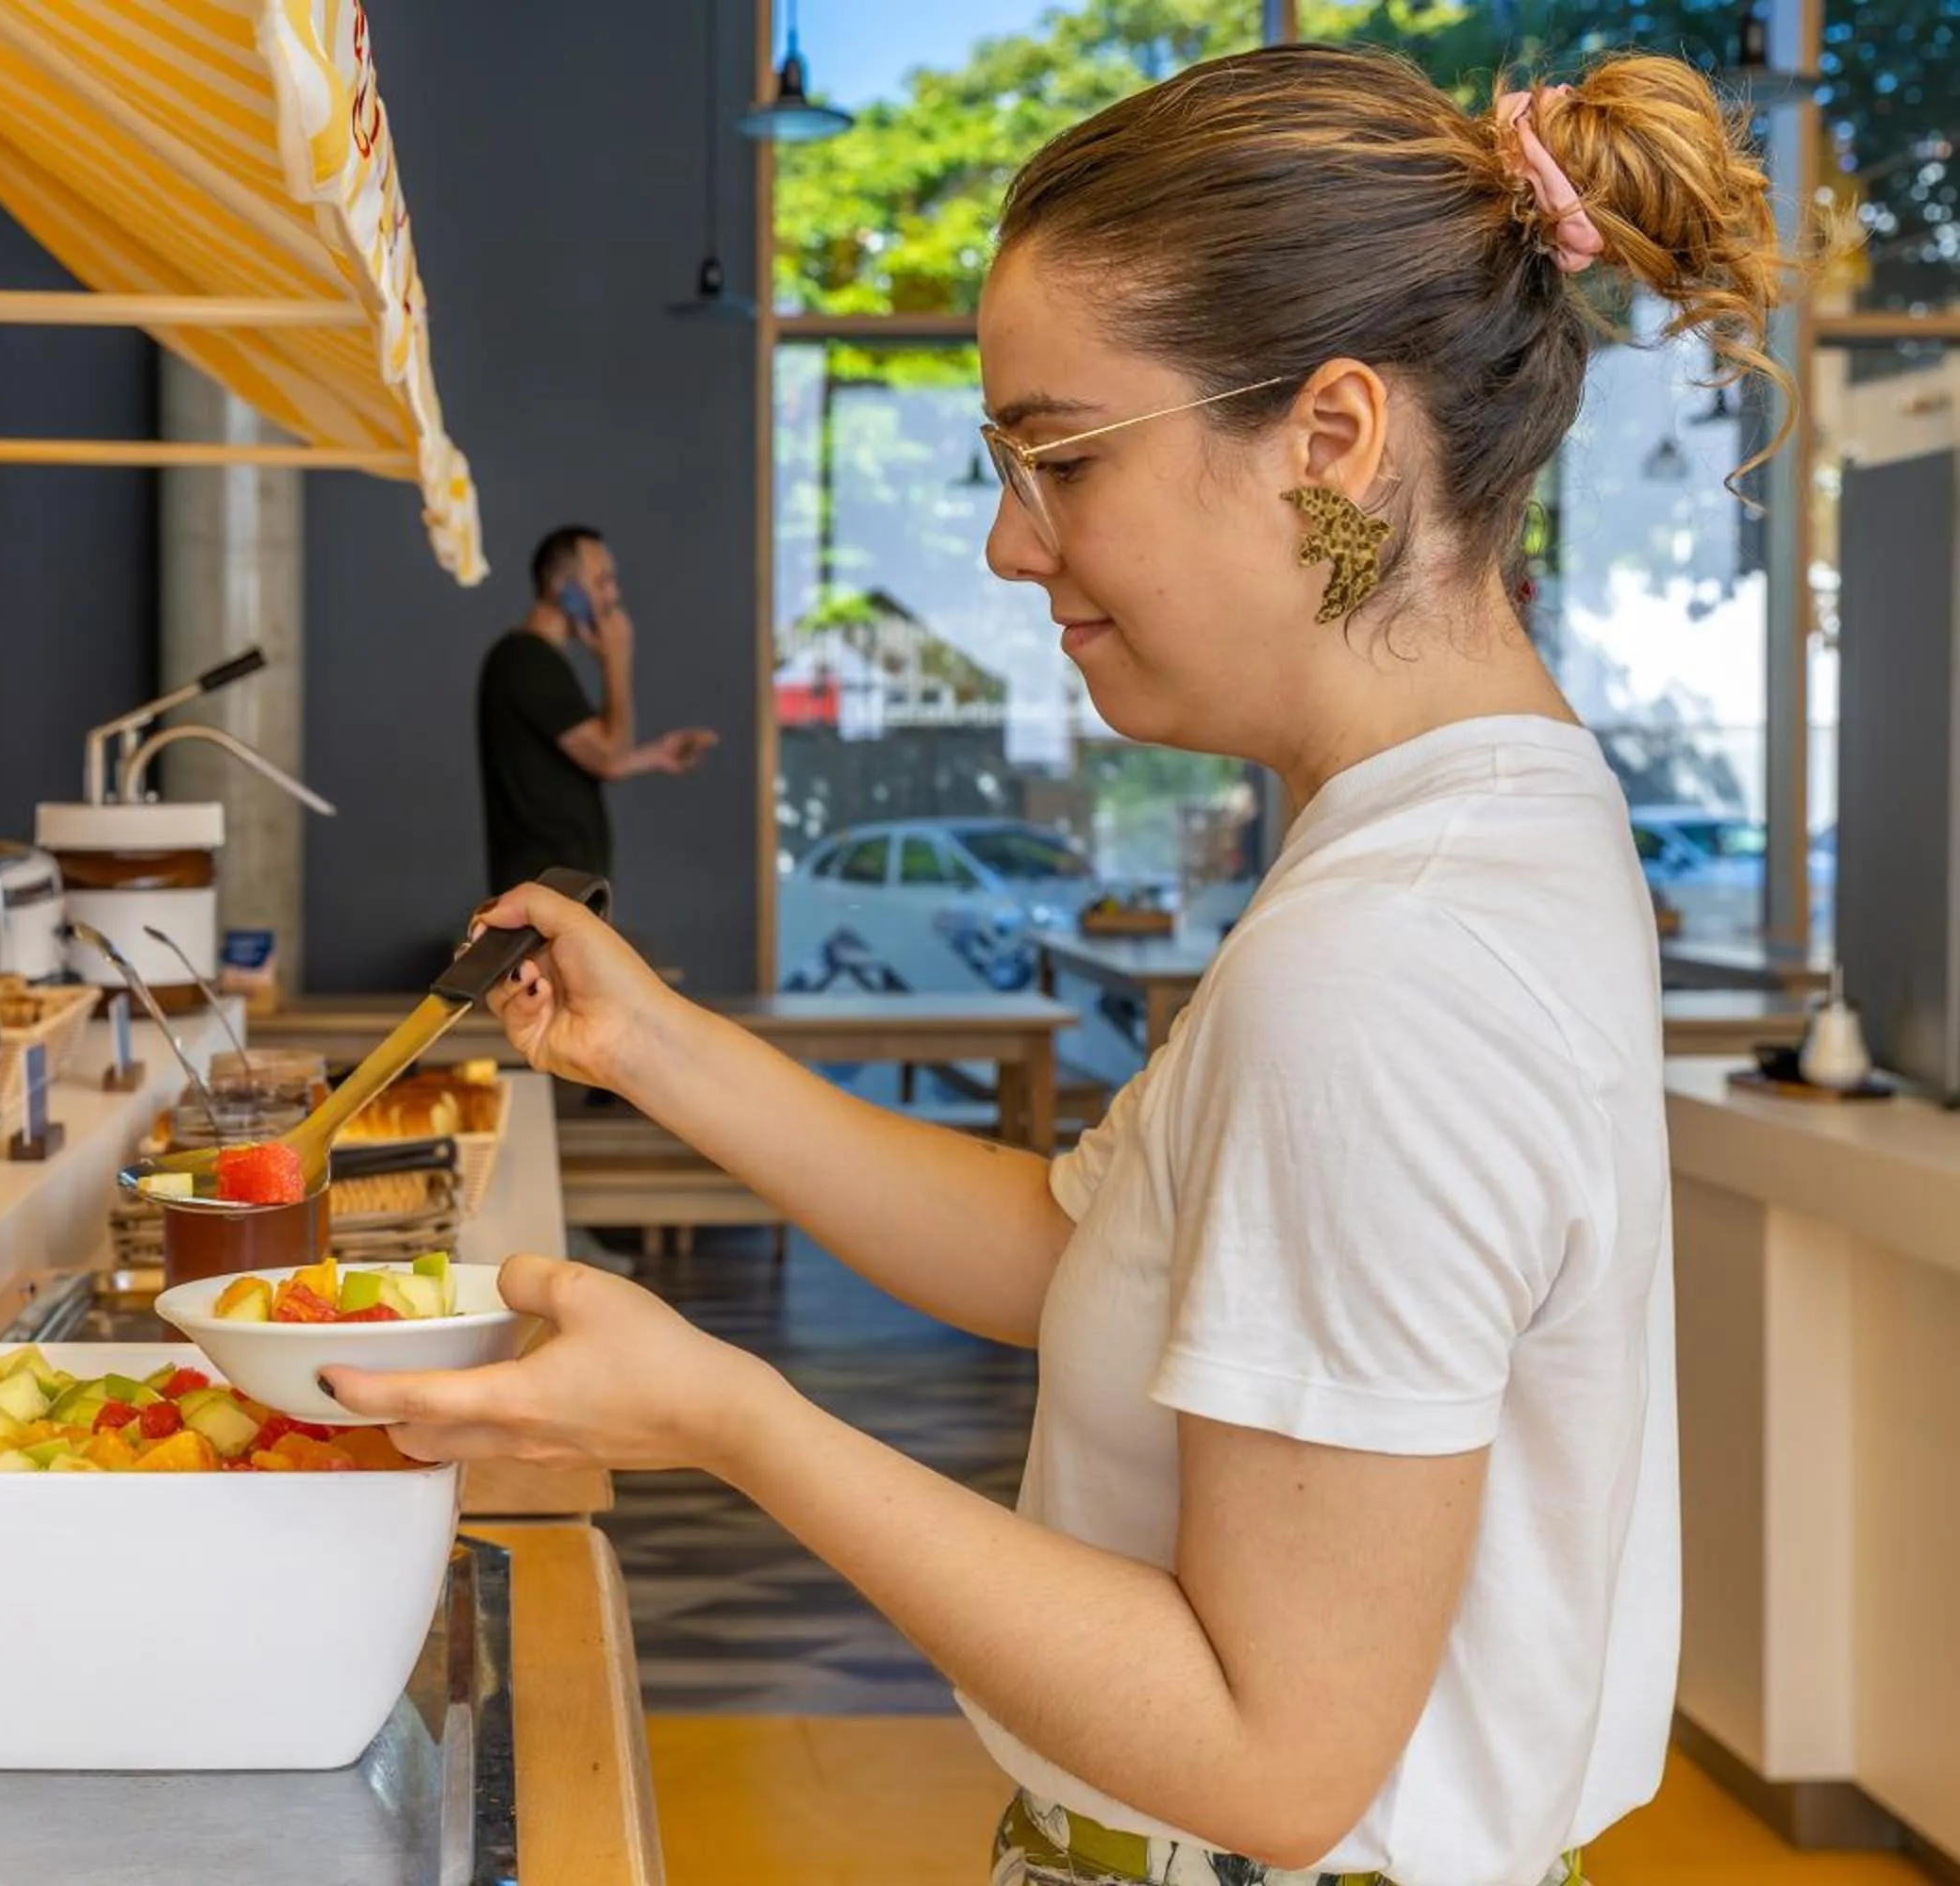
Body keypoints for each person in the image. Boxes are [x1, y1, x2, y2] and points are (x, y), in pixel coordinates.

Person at [334, 45, 1791, 1886]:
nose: (1017, 545)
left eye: (1065, 458)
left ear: (1334, 440)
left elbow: (1277, 1755)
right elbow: (1081, 1253)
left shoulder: (1388, 960)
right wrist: (662, 1046)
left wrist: (729, 1414)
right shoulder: (1483, 822)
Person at [475, 525, 717, 896]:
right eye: (602, 581)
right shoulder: (526, 660)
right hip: (545, 895)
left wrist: (658, 754)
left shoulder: (533, 660)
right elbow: (608, 754)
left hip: (556, 893)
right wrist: (617, 660)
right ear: (564, 589)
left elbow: (603, 757)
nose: (613, 595)